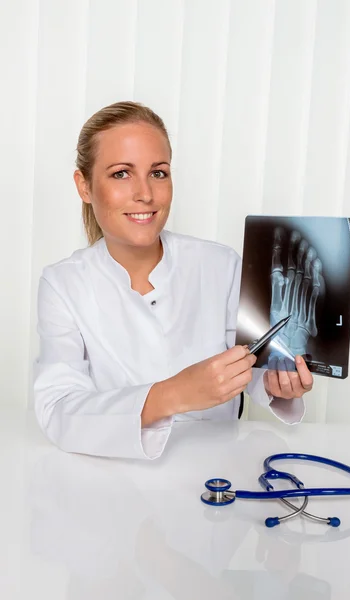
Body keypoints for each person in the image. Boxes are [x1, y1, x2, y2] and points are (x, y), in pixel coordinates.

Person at [33, 101, 314, 460]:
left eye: (158, 172)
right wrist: (174, 394)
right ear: (84, 186)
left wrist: (280, 385)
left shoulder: (220, 264)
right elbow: (59, 409)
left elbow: (253, 365)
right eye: (121, 173)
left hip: (215, 473)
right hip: (112, 478)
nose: (145, 193)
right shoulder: (63, 284)